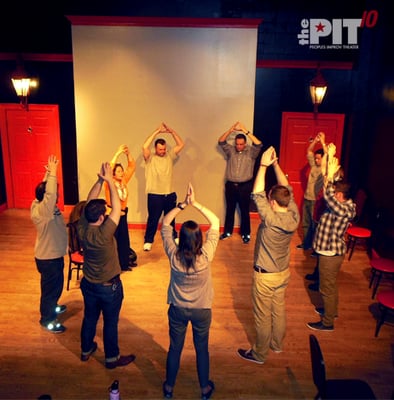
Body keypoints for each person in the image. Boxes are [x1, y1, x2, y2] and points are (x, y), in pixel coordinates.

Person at [237, 146, 300, 364]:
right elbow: (286, 188)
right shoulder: (294, 214)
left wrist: (263, 165)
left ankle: (259, 353)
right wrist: (275, 164)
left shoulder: (271, 219)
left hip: (265, 276)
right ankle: (277, 345)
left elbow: (256, 194)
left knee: (262, 316)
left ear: (272, 202)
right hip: (283, 273)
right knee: (278, 309)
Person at [161, 183, 219, 400]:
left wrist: (183, 205)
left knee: (175, 348)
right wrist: (196, 204)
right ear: (199, 240)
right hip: (201, 310)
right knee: (201, 349)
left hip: (177, 309)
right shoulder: (206, 256)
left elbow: (166, 222)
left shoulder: (173, 255)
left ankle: (169, 388)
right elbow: (216, 222)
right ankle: (204, 389)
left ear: (180, 238)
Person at [77, 161, 136, 369]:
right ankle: (111, 358)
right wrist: (109, 181)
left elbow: (90, 201)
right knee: (110, 323)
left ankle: (86, 350)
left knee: (90, 318)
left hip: (89, 284)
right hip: (108, 288)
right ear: (102, 217)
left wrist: (100, 180)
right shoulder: (104, 233)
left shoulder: (83, 227)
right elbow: (118, 207)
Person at [306, 144, 356, 331]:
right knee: (330, 285)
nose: (334, 194)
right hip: (328, 252)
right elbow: (330, 193)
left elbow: (327, 195)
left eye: (336, 193)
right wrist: (331, 172)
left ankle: (327, 322)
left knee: (326, 287)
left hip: (331, 254)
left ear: (341, 196)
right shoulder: (343, 203)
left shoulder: (344, 208)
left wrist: (329, 176)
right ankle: (330, 311)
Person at [31, 154, 68, 334]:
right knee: (50, 289)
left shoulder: (39, 205)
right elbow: (50, 193)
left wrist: (47, 176)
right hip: (48, 259)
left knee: (54, 286)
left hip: (52, 256)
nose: (57, 196)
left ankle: (52, 306)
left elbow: (47, 192)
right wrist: (53, 173)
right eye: (54, 195)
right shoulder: (43, 212)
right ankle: (47, 319)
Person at [142, 122, 185, 251]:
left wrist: (172, 132)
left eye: (164, 149)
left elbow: (181, 144)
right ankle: (148, 241)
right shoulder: (150, 158)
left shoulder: (170, 156)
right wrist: (156, 132)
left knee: (171, 218)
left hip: (169, 194)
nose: (163, 151)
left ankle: (173, 237)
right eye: (160, 149)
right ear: (155, 148)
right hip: (155, 195)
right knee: (153, 219)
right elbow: (144, 146)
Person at [218, 121, 263, 243]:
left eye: (241, 144)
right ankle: (227, 232)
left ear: (245, 143)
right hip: (231, 185)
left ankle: (246, 234)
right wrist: (231, 130)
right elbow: (221, 141)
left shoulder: (251, 152)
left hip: (245, 186)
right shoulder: (230, 150)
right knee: (230, 209)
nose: (239, 146)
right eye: (237, 144)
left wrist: (245, 131)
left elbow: (259, 144)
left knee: (244, 210)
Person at [104, 144, 137, 271]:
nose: (121, 173)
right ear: (113, 174)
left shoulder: (123, 181)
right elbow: (109, 168)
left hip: (123, 213)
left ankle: (124, 264)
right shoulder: (109, 183)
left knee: (124, 240)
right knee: (114, 240)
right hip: (112, 214)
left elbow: (132, 167)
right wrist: (117, 154)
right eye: (118, 171)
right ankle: (114, 265)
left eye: (121, 171)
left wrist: (128, 154)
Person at [297, 132, 326, 251]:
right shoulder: (313, 166)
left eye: (319, 158)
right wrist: (315, 141)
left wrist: (323, 142)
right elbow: (309, 152)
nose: (316, 160)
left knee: (315, 225)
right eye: (316, 158)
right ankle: (306, 244)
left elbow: (327, 157)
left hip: (316, 201)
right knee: (306, 223)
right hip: (307, 198)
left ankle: (315, 247)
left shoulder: (325, 170)